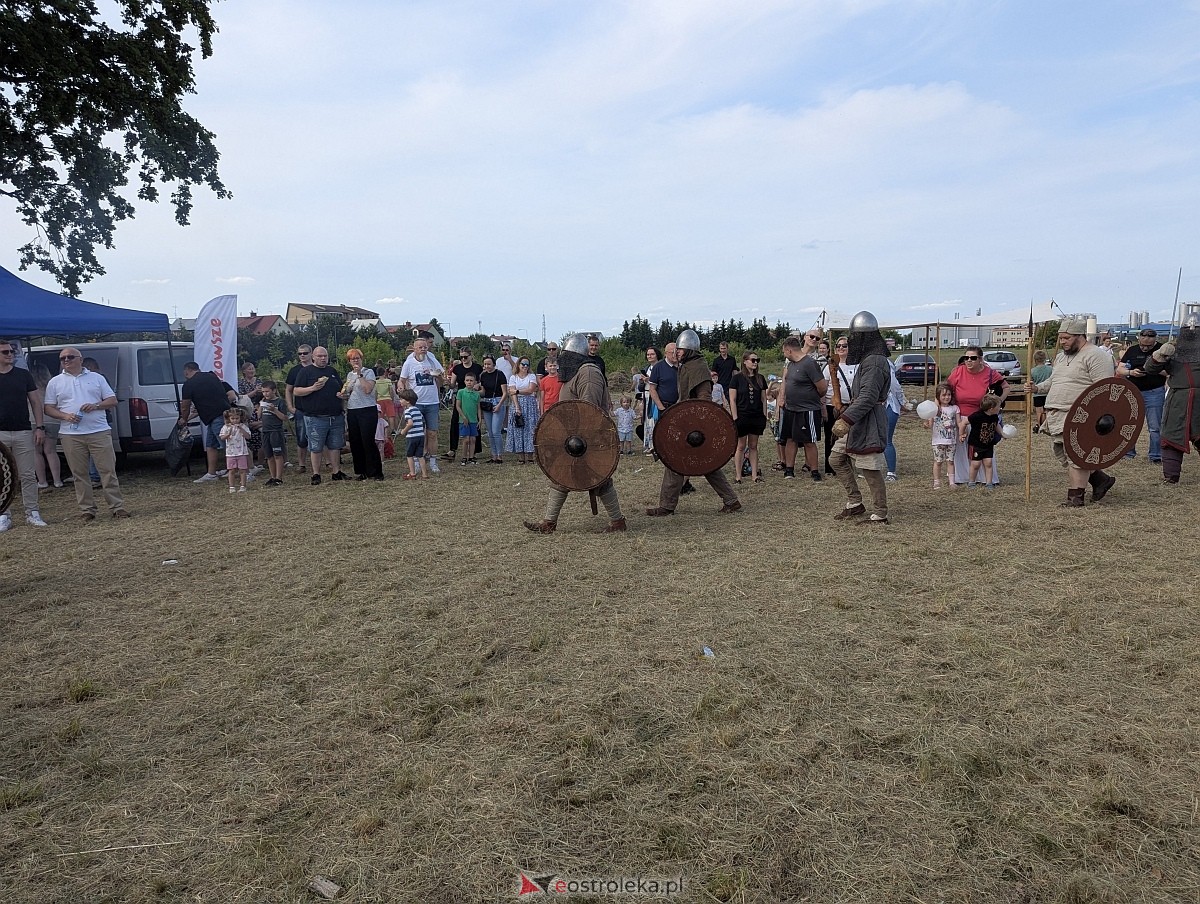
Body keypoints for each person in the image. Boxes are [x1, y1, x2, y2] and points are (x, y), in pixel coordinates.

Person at [524, 334, 627, 533]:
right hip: (573, 436)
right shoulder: (577, 373)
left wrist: (580, 437)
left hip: (589, 437)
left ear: (574, 355)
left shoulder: (588, 373)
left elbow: (589, 410)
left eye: (565, 354)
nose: (561, 359)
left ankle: (617, 522)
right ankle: (549, 522)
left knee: (599, 478)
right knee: (561, 475)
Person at [647, 330, 741, 517]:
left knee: (685, 462)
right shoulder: (688, 365)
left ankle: (667, 506)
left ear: (689, 350)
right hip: (688, 424)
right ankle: (731, 501)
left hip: (697, 428)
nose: (677, 353)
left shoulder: (698, 367)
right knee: (702, 464)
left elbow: (704, 401)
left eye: (680, 350)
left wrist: (696, 425)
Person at [1025, 318, 1117, 506]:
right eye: (1061, 338)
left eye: (1066, 338)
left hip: (1080, 414)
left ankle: (1075, 498)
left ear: (1079, 336)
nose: (1062, 342)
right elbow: (1054, 381)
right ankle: (1100, 480)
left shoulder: (1097, 356)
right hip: (1056, 413)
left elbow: (1104, 389)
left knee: (1077, 455)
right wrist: (1037, 388)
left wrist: (1095, 416)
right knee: (1063, 452)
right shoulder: (1061, 357)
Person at [43, 346, 128, 521]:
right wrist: (65, 416)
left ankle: (117, 507)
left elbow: (112, 400)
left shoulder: (97, 378)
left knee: (108, 471)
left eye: (70, 357)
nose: (66, 360)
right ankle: (87, 510)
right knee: (79, 473)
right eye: (62, 358)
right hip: (70, 434)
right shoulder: (55, 382)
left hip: (99, 431)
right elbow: (48, 408)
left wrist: (96, 406)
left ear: (80, 359)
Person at [829, 312, 891, 524]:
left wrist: (846, 419)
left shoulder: (875, 361)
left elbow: (868, 397)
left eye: (855, 336)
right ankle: (855, 502)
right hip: (859, 418)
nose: (852, 341)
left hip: (869, 420)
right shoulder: (869, 359)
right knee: (836, 458)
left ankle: (880, 513)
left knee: (869, 468)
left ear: (864, 337)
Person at [0, 338, 49, 531]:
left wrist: (40, 427)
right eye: (5, 352)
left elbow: (36, 402)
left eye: (11, 351)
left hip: (23, 431)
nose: (10, 354)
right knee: (2, 476)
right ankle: (3, 514)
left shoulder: (23, 375)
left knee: (28, 474)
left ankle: (32, 512)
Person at [1143, 321, 1200, 484]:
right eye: (1188, 330)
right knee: (1172, 437)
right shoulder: (1173, 351)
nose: (1192, 333)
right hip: (1177, 400)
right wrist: (1159, 356)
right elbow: (1150, 369)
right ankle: (1171, 476)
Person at [947, 344, 1009, 486]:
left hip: (982, 417)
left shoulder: (990, 373)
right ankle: (963, 477)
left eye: (973, 358)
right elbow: (945, 389)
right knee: (961, 449)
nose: (969, 360)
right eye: (966, 358)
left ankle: (986, 479)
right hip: (961, 416)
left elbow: (1006, 387)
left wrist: (998, 401)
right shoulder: (958, 372)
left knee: (983, 446)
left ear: (980, 359)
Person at [292, 346, 348, 485]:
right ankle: (316, 474)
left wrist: (343, 395)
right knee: (316, 447)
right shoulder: (306, 372)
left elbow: (341, 388)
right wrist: (312, 388)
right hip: (315, 417)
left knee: (335, 446)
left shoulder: (332, 371)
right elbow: (296, 391)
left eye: (325, 356)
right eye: (320, 356)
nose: (323, 358)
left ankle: (336, 472)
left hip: (335, 415)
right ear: (313, 357)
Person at [778, 335, 828, 481]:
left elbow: (822, 387)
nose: (784, 354)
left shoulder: (809, 363)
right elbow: (786, 382)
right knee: (790, 439)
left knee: (809, 441)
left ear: (789, 350)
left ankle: (814, 471)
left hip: (808, 409)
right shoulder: (791, 365)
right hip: (791, 408)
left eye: (784, 351)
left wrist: (811, 397)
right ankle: (789, 469)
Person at [178, 361, 236, 483]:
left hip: (216, 416)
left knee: (230, 444)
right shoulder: (212, 376)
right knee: (210, 445)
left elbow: (185, 406)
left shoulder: (188, 384)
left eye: (184, 372)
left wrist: (184, 418)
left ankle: (245, 470)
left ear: (187, 370)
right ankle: (211, 473)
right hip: (219, 414)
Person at [1118, 328, 1166, 463]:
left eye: (1148, 346)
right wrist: (1131, 372)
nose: (1145, 348)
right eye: (1142, 345)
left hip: (1154, 392)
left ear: (1155, 341)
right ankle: (1128, 453)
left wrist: (1153, 368)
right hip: (1133, 391)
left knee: (1155, 427)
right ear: (1138, 339)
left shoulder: (1162, 350)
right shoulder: (1132, 350)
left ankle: (1155, 455)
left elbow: (1169, 372)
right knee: (1129, 424)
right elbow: (1120, 369)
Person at [399, 338, 444, 473]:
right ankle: (417, 461)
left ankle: (433, 461)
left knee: (432, 433)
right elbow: (402, 380)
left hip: (432, 402)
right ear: (414, 349)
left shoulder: (432, 360)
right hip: (416, 403)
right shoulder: (409, 363)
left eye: (425, 347)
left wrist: (438, 376)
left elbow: (441, 381)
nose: (423, 349)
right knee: (416, 433)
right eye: (420, 347)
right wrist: (401, 388)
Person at [340, 349, 383, 481]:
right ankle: (361, 471)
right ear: (349, 361)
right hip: (353, 410)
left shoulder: (368, 372)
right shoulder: (349, 375)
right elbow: (349, 392)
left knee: (367, 440)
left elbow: (367, 389)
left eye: (357, 358)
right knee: (355, 441)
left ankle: (375, 471)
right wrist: (343, 395)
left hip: (367, 409)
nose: (355, 360)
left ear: (361, 359)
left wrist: (360, 375)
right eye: (352, 359)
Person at [728, 351, 768, 483]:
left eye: (757, 360)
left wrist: (764, 415)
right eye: (753, 360)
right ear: (745, 361)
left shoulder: (760, 378)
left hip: (756, 416)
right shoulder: (736, 378)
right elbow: (732, 399)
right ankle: (738, 476)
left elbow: (763, 399)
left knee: (753, 445)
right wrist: (735, 417)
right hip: (742, 416)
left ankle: (754, 475)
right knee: (740, 446)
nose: (755, 363)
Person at [821, 337, 854, 476]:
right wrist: (823, 407)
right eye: (838, 346)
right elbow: (823, 388)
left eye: (844, 346)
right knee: (831, 436)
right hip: (832, 406)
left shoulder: (856, 366)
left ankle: (849, 465)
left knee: (850, 436)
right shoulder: (830, 366)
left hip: (851, 406)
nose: (841, 348)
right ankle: (830, 468)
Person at [28, 363, 64, 489]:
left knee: (37, 453)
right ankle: (57, 481)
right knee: (51, 451)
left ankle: (42, 481)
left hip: (33, 420)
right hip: (53, 420)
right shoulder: (53, 386)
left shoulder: (29, 388)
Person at [445, 348, 483, 461]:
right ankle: (453, 449)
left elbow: (482, 381)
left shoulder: (477, 368)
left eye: (465, 357)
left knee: (474, 422)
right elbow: (453, 384)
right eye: (461, 357)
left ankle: (474, 451)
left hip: (473, 397)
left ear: (470, 356)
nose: (463, 359)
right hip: (461, 396)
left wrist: (478, 385)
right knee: (455, 422)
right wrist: (448, 383)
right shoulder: (457, 368)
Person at [924, 382, 959, 489]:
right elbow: (930, 424)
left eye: (948, 394)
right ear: (938, 396)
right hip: (938, 441)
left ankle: (952, 482)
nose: (946, 397)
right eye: (943, 395)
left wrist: (963, 432)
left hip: (951, 441)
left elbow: (959, 423)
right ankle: (937, 481)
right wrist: (926, 424)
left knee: (950, 461)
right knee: (938, 461)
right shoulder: (934, 410)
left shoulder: (955, 408)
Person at [963, 393, 1001, 488]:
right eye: (998, 406)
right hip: (976, 444)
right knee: (976, 464)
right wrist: (961, 433)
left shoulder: (994, 417)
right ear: (991, 408)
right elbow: (964, 422)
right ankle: (971, 482)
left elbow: (997, 426)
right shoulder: (977, 416)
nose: (1000, 408)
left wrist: (1003, 434)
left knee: (989, 463)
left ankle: (989, 483)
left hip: (988, 444)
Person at [506, 356, 540, 464]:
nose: (525, 366)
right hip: (517, 404)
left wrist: (517, 391)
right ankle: (521, 456)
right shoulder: (513, 377)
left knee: (530, 429)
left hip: (530, 404)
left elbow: (531, 390)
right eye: (523, 364)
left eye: (527, 364)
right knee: (518, 428)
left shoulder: (531, 376)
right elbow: (511, 393)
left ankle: (530, 456)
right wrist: (517, 407)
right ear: (518, 365)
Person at [285, 346, 313, 473]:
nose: (302, 355)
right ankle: (302, 464)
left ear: (311, 353)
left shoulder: (318, 368)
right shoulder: (294, 371)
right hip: (301, 409)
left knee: (321, 437)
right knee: (301, 438)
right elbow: (288, 390)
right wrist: (290, 406)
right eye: (300, 353)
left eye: (305, 353)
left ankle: (328, 462)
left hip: (318, 409)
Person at [478, 354, 508, 463]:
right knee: (490, 431)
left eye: (489, 364)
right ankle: (493, 455)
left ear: (494, 364)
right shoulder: (483, 375)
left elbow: (505, 393)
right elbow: (483, 391)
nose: (487, 366)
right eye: (485, 364)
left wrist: (499, 405)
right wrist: (475, 391)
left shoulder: (500, 374)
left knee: (496, 431)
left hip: (498, 401)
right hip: (487, 402)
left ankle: (500, 455)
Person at [238, 361, 266, 475]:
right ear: (244, 371)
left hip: (260, 407)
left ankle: (261, 463)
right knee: (250, 431)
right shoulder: (241, 383)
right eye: (249, 369)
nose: (252, 370)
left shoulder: (259, 381)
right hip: (247, 410)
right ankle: (251, 463)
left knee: (262, 433)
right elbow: (241, 397)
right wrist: (255, 391)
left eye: (253, 368)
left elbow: (266, 394)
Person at [258, 380, 288, 486]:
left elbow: (285, 417)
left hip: (276, 431)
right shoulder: (264, 401)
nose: (265, 394)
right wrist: (260, 406)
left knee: (277, 454)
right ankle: (272, 476)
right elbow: (259, 416)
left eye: (267, 391)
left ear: (274, 390)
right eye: (263, 392)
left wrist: (274, 410)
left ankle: (279, 478)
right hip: (265, 431)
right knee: (269, 455)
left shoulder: (280, 402)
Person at [397, 389, 429, 480]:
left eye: (401, 399)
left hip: (412, 437)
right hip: (420, 436)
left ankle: (412, 473)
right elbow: (422, 422)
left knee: (409, 455)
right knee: (420, 456)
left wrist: (404, 431)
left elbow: (410, 423)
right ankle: (424, 474)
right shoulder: (418, 410)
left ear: (407, 401)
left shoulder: (407, 411)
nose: (400, 401)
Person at [219, 406, 252, 493]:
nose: (235, 420)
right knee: (231, 470)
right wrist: (228, 434)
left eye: (237, 418)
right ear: (229, 418)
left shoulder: (243, 426)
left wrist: (241, 429)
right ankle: (232, 487)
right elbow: (222, 437)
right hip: (230, 453)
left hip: (242, 452)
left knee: (242, 470)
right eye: (232, 418)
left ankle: (243, 486)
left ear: (240, 418)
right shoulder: (226, 427)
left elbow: (248, 436)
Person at [455, 373, 482, 464]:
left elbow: (478, 408)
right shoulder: (461, 392)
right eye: (467, 380)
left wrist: (480, 419)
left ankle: (471, 457)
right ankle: (464, 457)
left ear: (475, 382)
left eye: (471, 380)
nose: (469, 382)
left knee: (473, 439)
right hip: (464, 420)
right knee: (466, 439)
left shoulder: (476, 394)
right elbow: (458, 406)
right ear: (464, 381)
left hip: (473, 420)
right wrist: (463, 417)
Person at [641, 347, 662, 452]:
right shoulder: (647, 368)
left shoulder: (660, 367)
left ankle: (655, 445)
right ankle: (648, 444)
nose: (650, 356)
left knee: (654, 420)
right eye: (648, 354)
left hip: (655, 396)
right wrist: (643, 381)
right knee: (647, 420)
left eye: (652, 354)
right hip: (646, 395)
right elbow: (641, 386)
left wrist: (650, 381)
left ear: (657, 355)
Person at [1029, 349, 1052, 433]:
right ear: (1044, 359)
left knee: (1039, 411)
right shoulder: (1050, 369)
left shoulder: (1032, 371)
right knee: (1047, 411)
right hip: (1047, 393)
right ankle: (1047, 425)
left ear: (1035, 359)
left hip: (1037, 394)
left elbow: (1031, 381)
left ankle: (1040, 426)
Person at [375, 365, 398, 437]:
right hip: (388, 399)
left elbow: (375, 392)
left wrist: (375, 400)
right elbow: (391, 390)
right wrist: (392, 398)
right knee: (391, 415)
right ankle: (392, 430)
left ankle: (381, 430)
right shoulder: (388, 381)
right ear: (384, 372)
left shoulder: (376, 382)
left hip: (379, 400)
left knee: (381, 416)